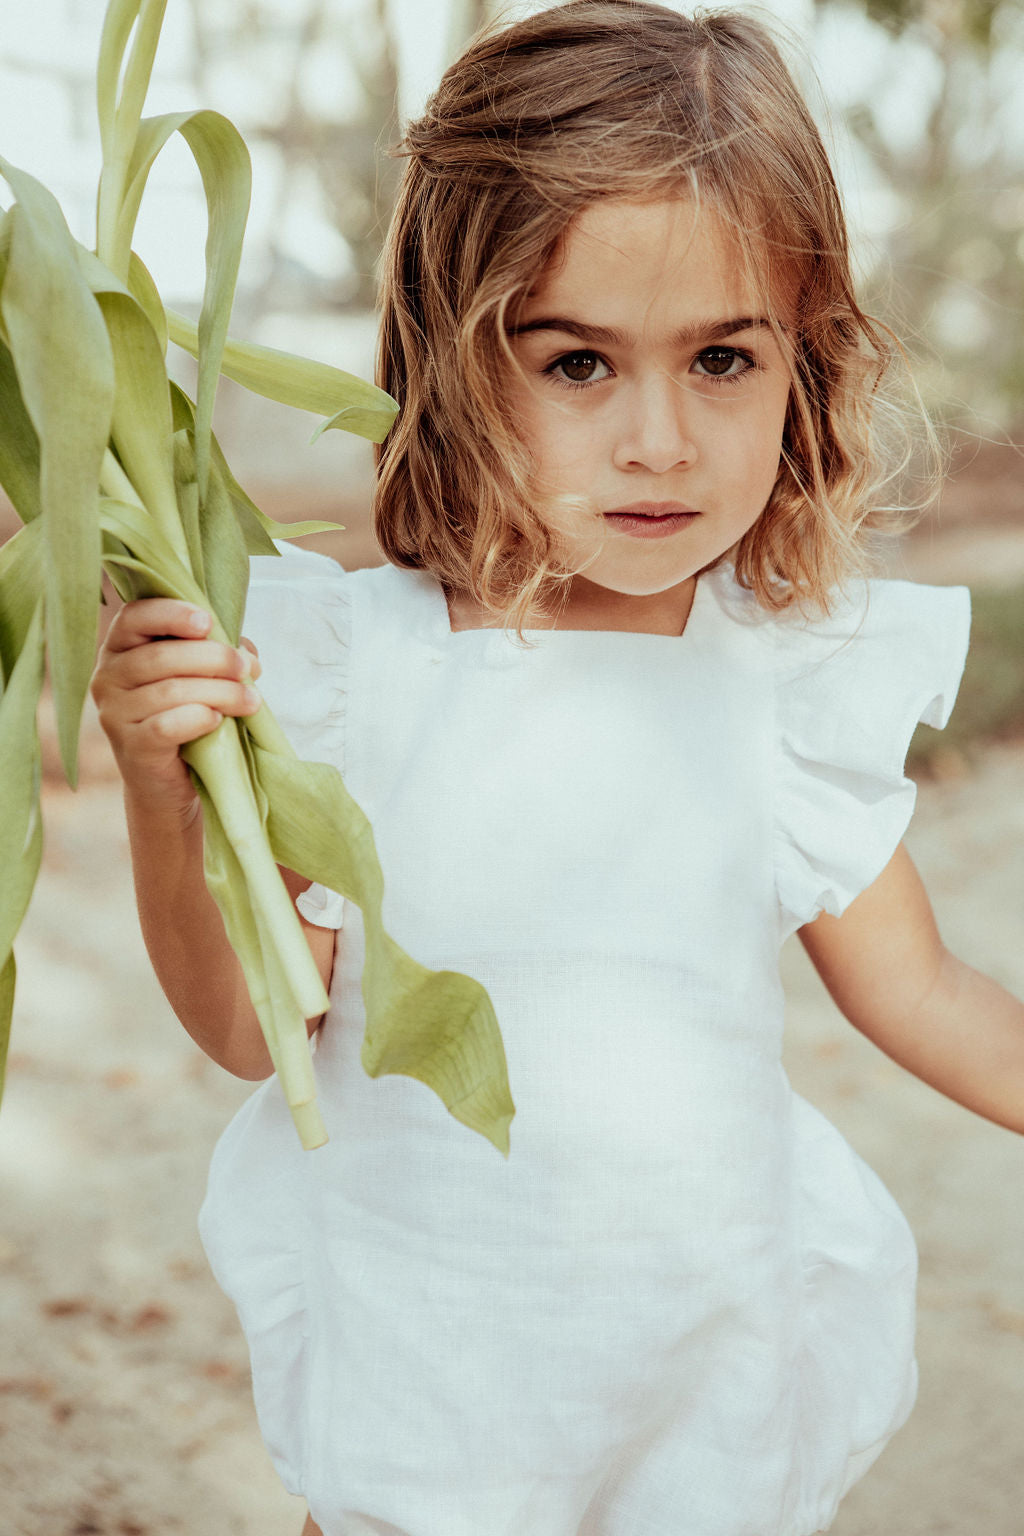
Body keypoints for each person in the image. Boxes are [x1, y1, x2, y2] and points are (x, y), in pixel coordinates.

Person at [89, 3, 1024, 1533]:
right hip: (436, 1358)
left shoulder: (777, 685)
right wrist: (160, 786)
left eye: (722, 357)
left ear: (807, 357)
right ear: (458, 364)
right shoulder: (350, 671)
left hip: (703, 1367)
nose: (659, 440)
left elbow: (920, 992)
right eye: (578, 363)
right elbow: (258, 1032)